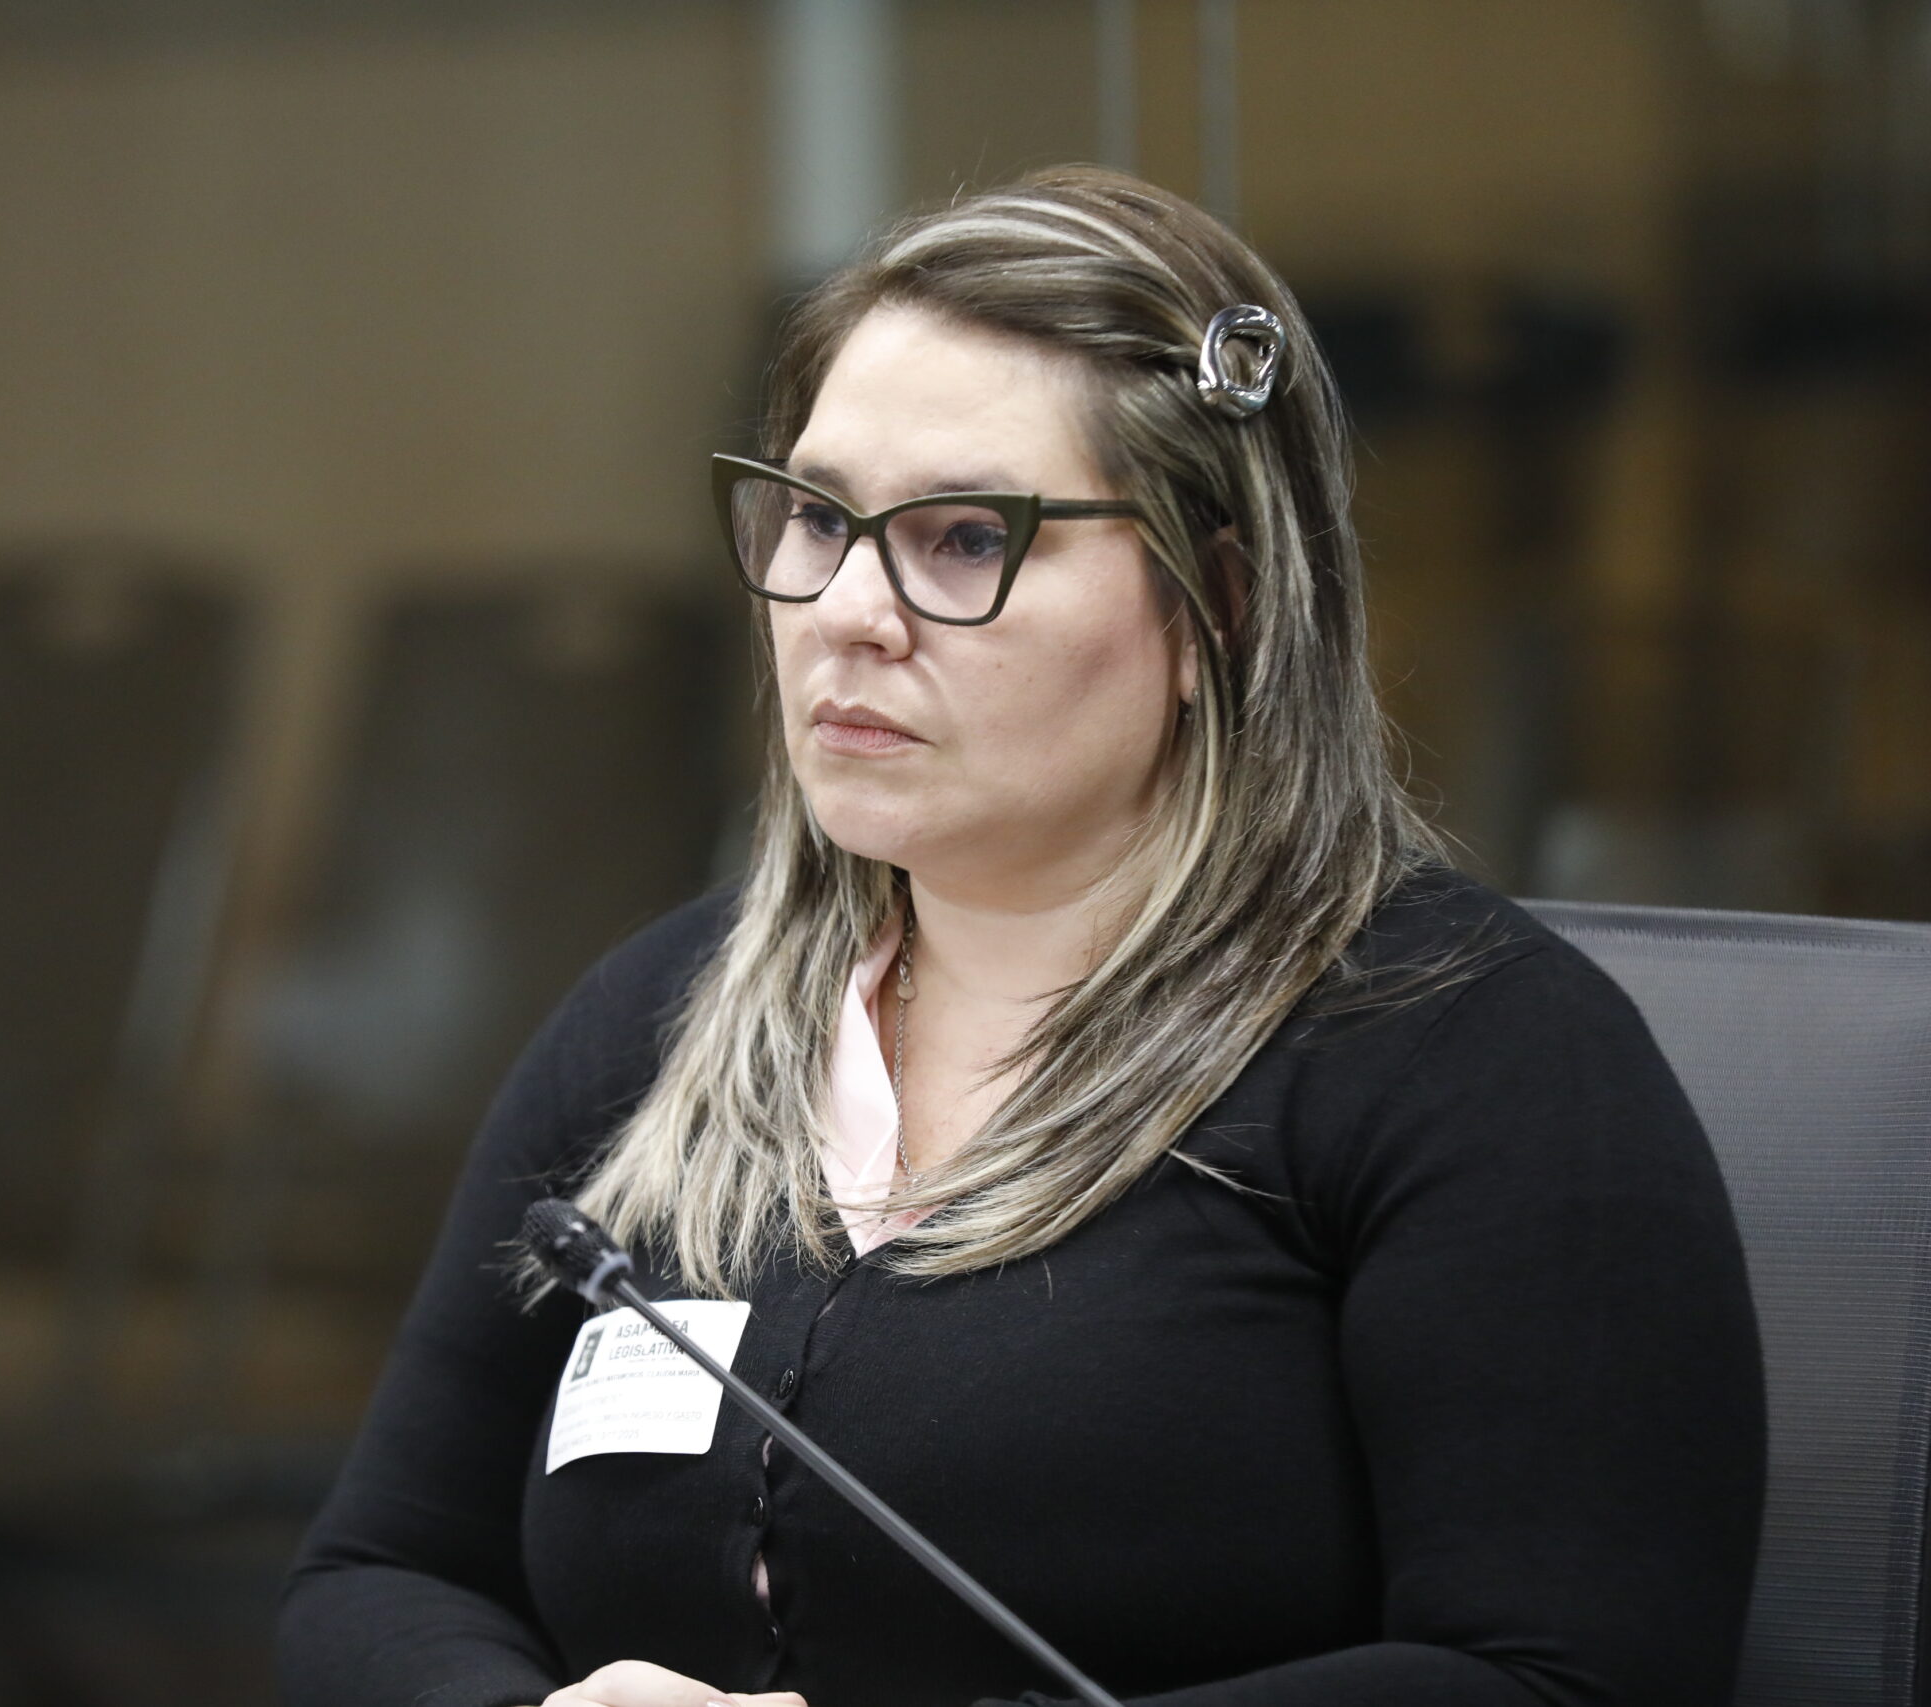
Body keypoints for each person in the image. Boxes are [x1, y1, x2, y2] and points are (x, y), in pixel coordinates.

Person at [275, 166, 1764, 1707]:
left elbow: (1563, 1678)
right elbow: (383, 1576)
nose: (849, 609)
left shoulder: (1472, 1058)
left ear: (1221, 609)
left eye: (967, 539)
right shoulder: (660, 1019)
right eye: (812, 518)